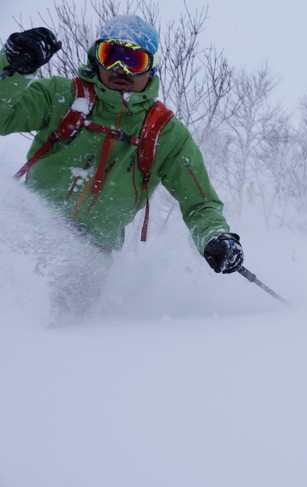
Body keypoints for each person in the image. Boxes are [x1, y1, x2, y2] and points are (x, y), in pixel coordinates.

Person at [0, 15, 245, 321]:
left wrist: (215, 237)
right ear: (96, 57)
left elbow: (200, 202)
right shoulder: (62, 97)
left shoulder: (163, 133)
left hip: (88, 260)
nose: (120, 69)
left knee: (62, 337)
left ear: (151, 68)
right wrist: (12, 66)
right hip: (23, 237)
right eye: (111, 56)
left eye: (134, 60)